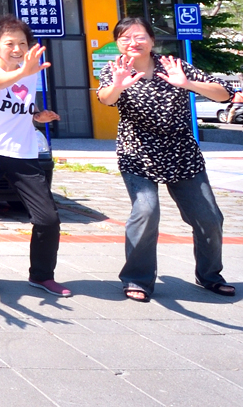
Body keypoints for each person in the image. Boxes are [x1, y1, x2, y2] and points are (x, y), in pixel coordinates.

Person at [97, 16, 235, 302]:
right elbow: (106, 98)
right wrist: (119, 85)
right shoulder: (115, 69)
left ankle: (210, 275)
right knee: (146, 211)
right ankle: (137, 279)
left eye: (140, 37)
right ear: (118, 43)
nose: (133, 43)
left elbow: (224, 95)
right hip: (138, 154)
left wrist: (188, 83)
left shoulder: (175, 66)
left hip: (182, 154)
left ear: (152, 40)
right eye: (125, 38)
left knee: (209, 217)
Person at [0, 16, 66, 298]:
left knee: (48, 218)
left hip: (22, 152)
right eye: (10, 43)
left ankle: (42, 275)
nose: (17, 49)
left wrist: (37, 116)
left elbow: (21, 105)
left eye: (22, 43)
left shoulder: (30, 73)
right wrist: (23, 72)